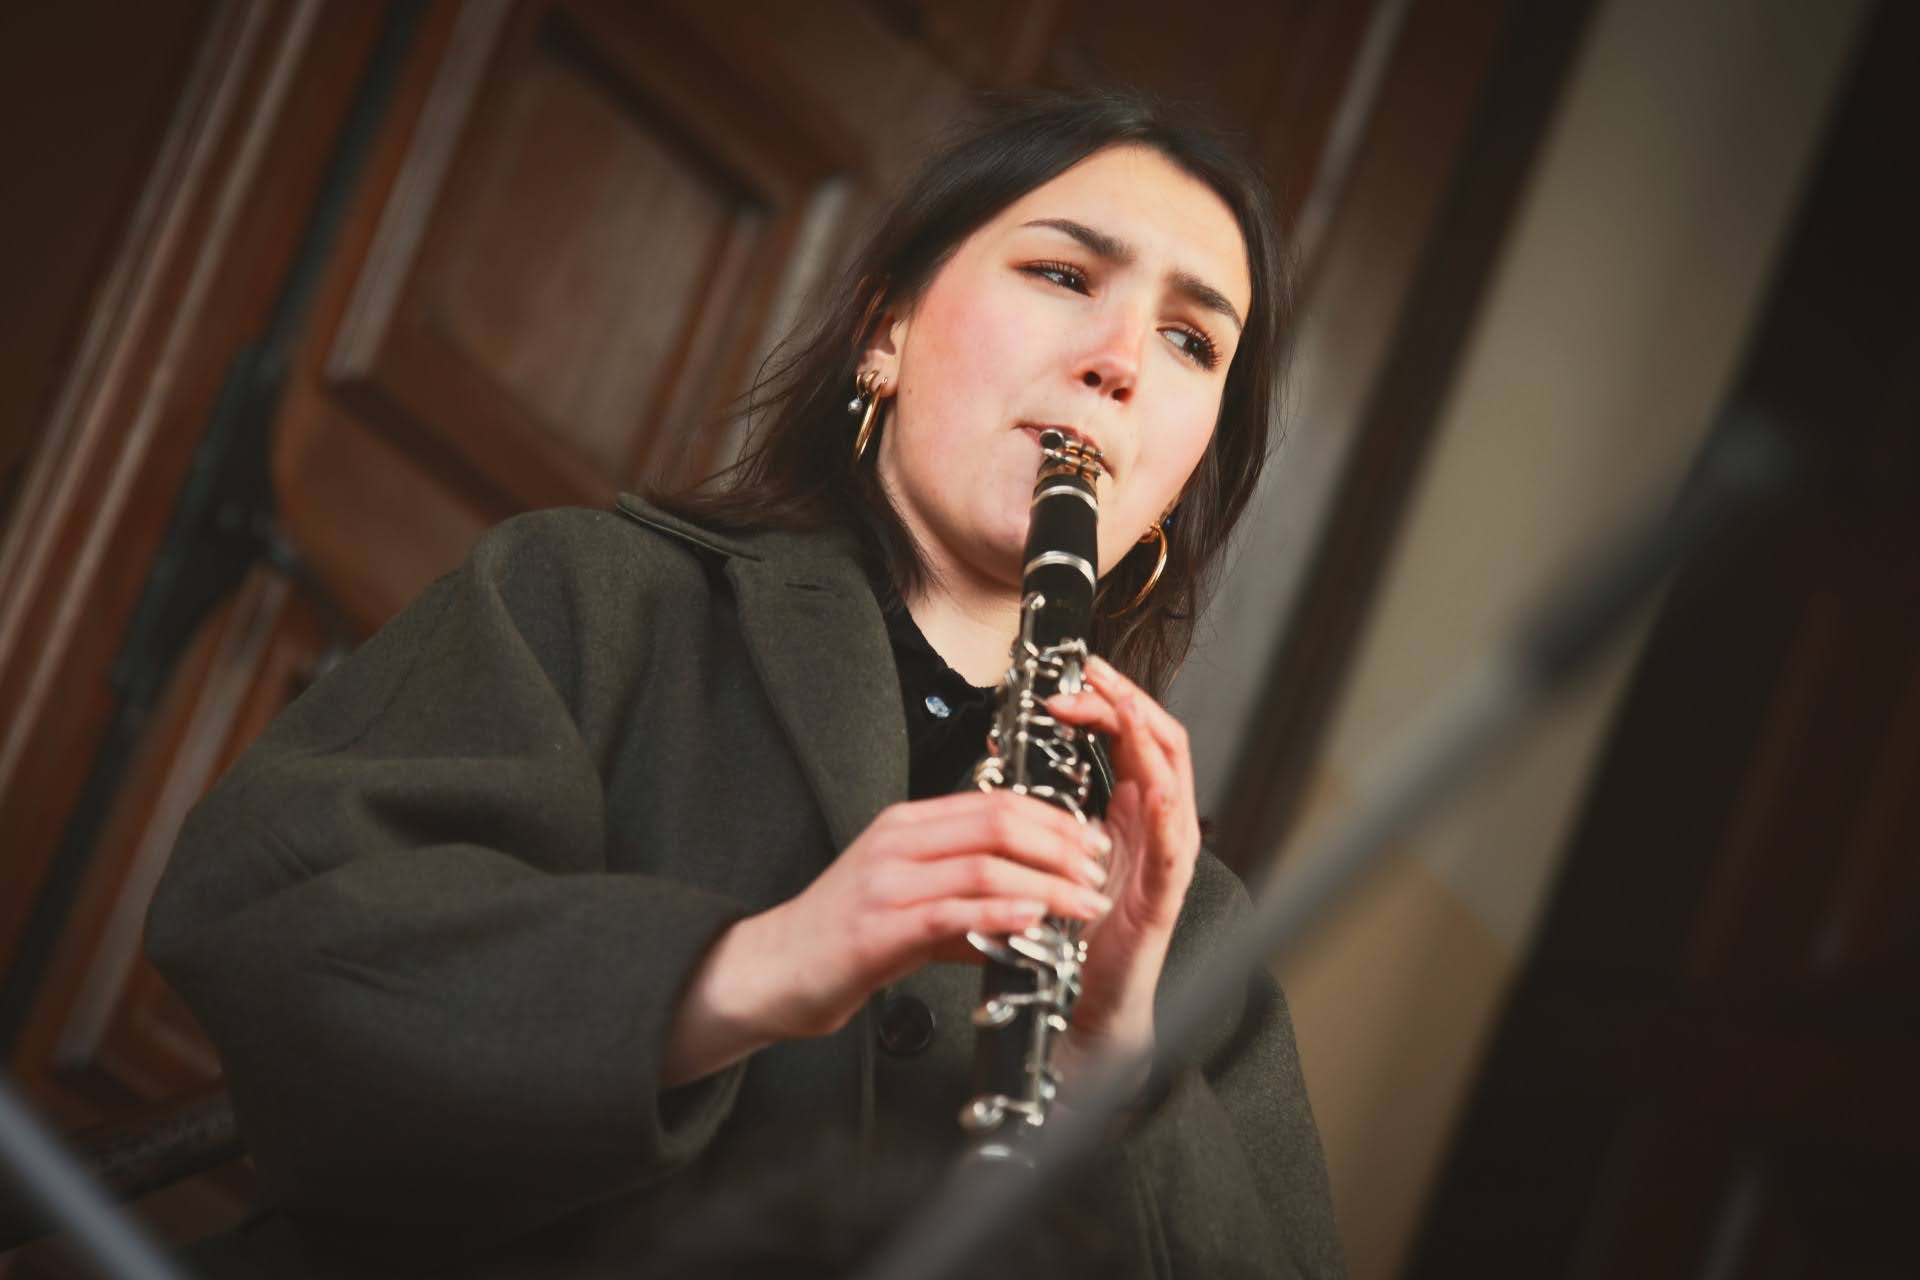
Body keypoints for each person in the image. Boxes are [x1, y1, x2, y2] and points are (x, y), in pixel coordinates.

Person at [146, 88, 1344, 1278]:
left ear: (1183, 477)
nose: (1120, 362)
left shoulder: (1187, 921)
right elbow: (273, 919)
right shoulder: (595, 596)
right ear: (885, 328)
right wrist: (745, 968)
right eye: (1064, 275)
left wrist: (1118, 1074)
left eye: (1192, 342)